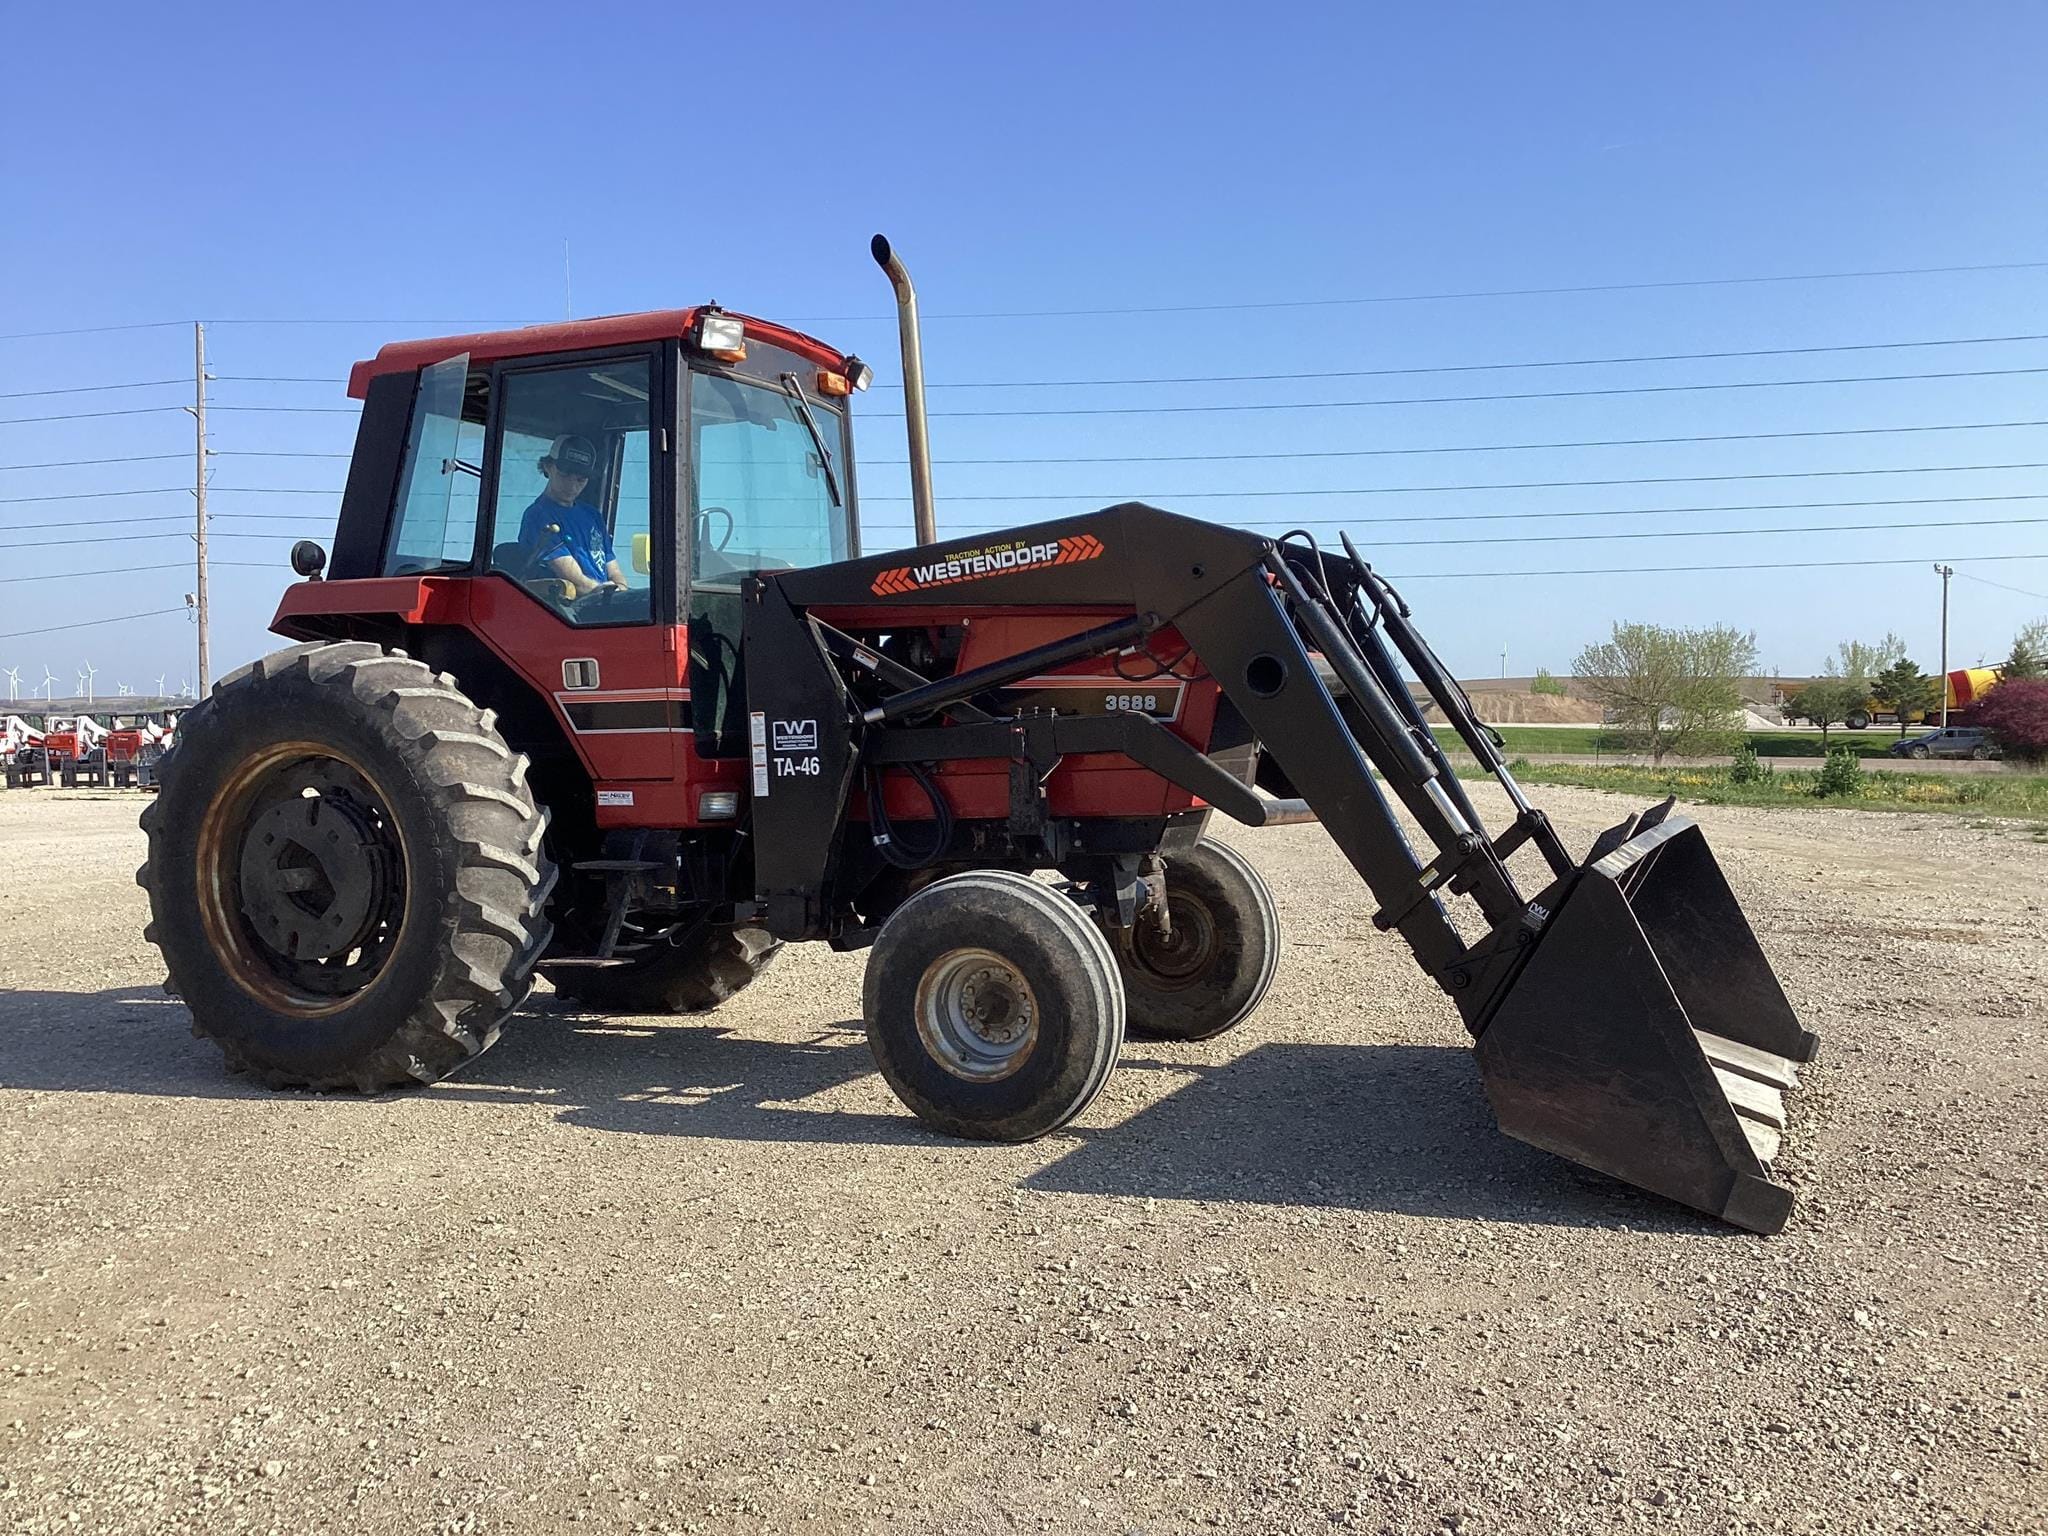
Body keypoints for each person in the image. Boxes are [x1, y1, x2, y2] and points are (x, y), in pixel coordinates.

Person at [518, 434, 628, 598]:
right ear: (548, 466)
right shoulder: (538, 516)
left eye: (580, 479)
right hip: (564, 606)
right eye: (564, 475)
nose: (572, 486)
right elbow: (574, 582)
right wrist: (603, 594)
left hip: (601, 600)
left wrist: (621, 590)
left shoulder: (593, 516)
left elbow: (613, 569)